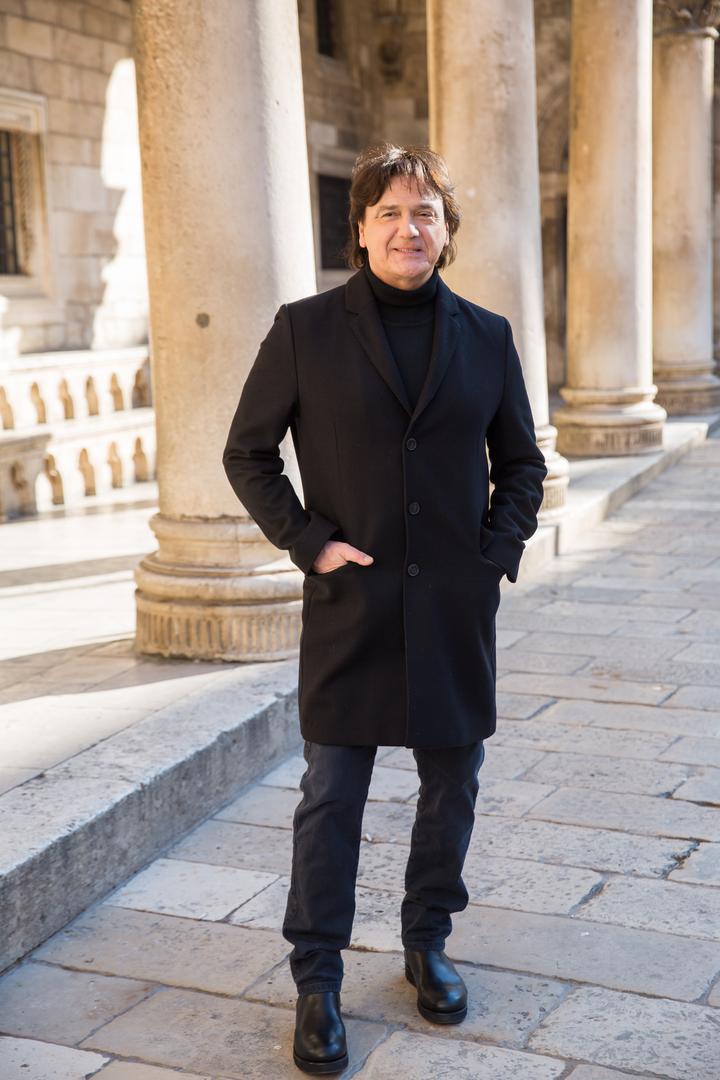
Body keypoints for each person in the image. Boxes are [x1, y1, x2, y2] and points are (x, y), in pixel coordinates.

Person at [222, 143, 547, 1075]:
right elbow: (248, 453)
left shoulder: (487, 336)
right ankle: (317, 979)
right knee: (332, 796)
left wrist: (492, 557)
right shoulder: (305, 330)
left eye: (426, 214)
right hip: (351, 607)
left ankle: (426, 941)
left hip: (451, 610)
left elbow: (521, 464)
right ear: (360, 229)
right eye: (390, 213)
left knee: (453, 784)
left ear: (446, 232)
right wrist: (307, 539)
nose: (409, 229)